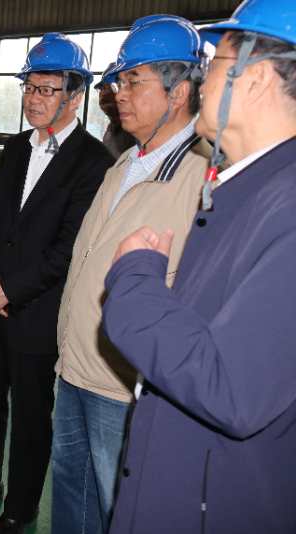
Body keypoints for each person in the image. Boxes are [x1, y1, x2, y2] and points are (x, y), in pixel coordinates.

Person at [103, 1, 296, 532]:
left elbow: (230, 388)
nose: (203, 83)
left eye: (214, 64)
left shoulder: (286, 203)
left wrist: (135, 276)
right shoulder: (251, 187)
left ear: (256, 78)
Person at [0, 33, 114, 534]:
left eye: (47, 89)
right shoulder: (15, 148)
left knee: (32, 412)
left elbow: (69, 247)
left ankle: (21, 505)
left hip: (37, 309)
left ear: (74, 95)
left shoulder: (92, 162)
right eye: (30, 88)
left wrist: (10, 290)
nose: (34, 99)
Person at [53, 16, 210, 534]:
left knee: (117, 509)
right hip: (75, 368)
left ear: (178, 91)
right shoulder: (123, 164)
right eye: (119, 81)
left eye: (133, 81)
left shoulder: (199, 179)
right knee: (71, 503)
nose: (119, 93)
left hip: (122, 387)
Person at [95, 63, 135, 158]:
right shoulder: (112, 129)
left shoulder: (133, 131)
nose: (103, 93)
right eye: (102, 88)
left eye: (112, 87)